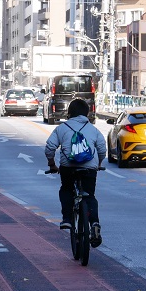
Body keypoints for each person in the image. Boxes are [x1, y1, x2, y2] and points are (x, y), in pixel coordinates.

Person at [44, 98, 107, 248]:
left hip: (68, 167)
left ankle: (67, 219)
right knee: (90, 195)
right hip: (89, 168)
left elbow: (49, 148)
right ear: (87, 113)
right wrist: (98, 164)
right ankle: (95, 224)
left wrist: (52, 164)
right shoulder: (93, 129)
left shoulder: (61, 128)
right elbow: (102, 149)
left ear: (69, 113)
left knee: (66, 189)